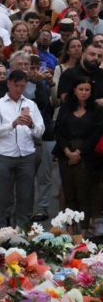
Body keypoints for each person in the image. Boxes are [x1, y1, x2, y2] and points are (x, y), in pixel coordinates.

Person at [0, 69, 45, 229]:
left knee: (26, 195)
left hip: (27, 155)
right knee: (3, 195)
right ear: (8, 83)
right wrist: (12, 124)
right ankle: (1, 229)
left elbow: (41, 130)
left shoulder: (31, 104)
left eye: (22, 86)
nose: (19, 89)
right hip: (4, 155)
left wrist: (31, 124)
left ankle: (22, 230)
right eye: (16, 85)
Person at [53, 77, 102, 231]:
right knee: (69, 191)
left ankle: (85, 228)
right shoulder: (66, 107)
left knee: (85, 191)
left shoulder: (96, 109)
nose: (84, 92)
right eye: (81, 89)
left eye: (87, 90)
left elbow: (96, 134)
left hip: (86, 155)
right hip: (65, 152)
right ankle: (69, 228)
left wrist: (79, 153)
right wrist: (68, 151)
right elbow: (58, 131)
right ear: (74, 90)